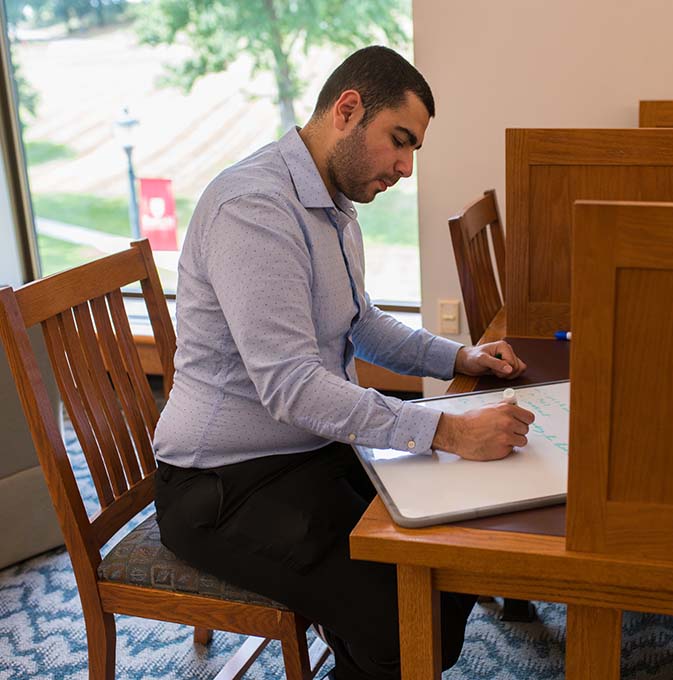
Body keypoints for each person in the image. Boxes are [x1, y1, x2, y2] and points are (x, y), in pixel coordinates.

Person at [152, 45, 534, 680]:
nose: (407, 168)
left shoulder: (334, 206)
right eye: (399, 141)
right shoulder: (253, 207)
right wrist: (447, 429)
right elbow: (293, 387)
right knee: (401, 620)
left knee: (452, 543)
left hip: (308, 451)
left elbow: (362, 324)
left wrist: (460, 356)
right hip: (222, 485)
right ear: (348, 110)